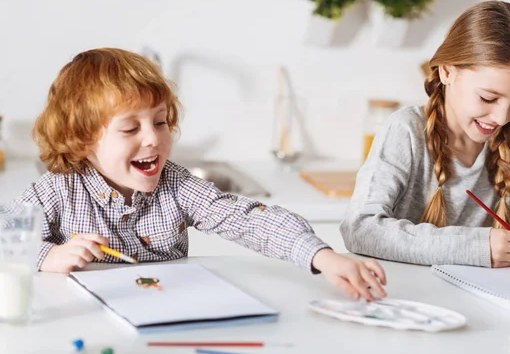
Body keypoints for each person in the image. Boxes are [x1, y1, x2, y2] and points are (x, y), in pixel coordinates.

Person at [14, 47, 386, 301]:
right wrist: (47, 255)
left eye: (160, 122)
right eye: (131, 129)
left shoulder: (175, 186)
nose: (153, 139)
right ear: (80, 139)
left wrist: (323, 256)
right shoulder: (57, 191)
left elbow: (248, 220)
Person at [340, 0, 510, 281]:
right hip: (407, 298)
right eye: (488, 98)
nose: (502, 117)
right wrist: (475, 246)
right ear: (447, 72)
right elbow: (360, 228)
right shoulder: (405, 131)